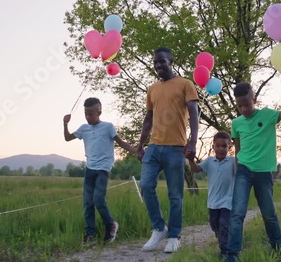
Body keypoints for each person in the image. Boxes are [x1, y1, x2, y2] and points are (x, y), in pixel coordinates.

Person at [225, 76, 281, 262]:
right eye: (240, 106)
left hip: (264, 173)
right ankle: (232, 254)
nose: (244, 109)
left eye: (247, 104)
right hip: (243, 171)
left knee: (268, 213)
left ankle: (277, 245)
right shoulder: (236, 123)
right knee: (237, 213)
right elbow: (238, 149)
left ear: (254, 100)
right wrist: (236, 170)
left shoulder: (268, 115)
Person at [137, 47, 199, 253]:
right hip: (154, 147)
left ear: (171, 61)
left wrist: (192, 142)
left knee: (175, 195)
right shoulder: (152, 89)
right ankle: (159, 228)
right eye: (155, 62)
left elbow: (193, 112)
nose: (158, 65)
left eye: (162, 61)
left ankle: (174, 235)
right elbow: (148, 119)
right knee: (146, 185)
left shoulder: (185, 84)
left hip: (176, 148)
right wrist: (140, 144)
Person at [63, 97, 137, 245]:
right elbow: (67, 138)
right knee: (87, 203)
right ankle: (90, 234)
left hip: (103, 168)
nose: (88, 117)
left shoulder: (108, 127)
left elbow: (121, 142)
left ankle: (110, 226)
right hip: (90, 168)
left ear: (99, 112)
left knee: (98, 199)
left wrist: (138, 151)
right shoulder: (84, 128)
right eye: (86, 114)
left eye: (91, 114)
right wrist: (65, 124)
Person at [187, 131, 236, 258]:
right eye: (218, 146)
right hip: (213, 201)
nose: (221, 149)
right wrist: (191, 160)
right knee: (215, 225)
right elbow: (196, 169)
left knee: (224, 224)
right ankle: (221, 237)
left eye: (224, 146)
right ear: (213, 146)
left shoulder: (232, 162)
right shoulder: (209, 161)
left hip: (228, 200)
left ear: (229, 147)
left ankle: (225, 252)